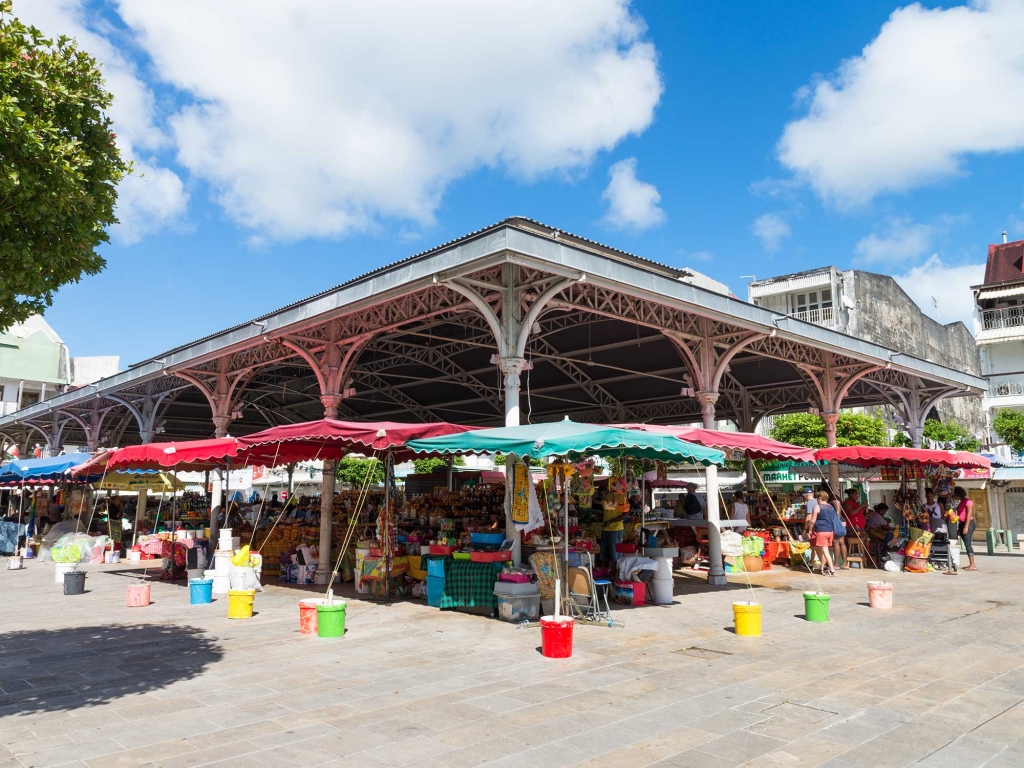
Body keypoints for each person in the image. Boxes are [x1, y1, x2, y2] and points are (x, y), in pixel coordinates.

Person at [805, 490, 838, 576]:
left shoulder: (818, 507)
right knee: (824, 550)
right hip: (830, 531)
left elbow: (812, 521)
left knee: (825, 551)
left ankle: (832, 570)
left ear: (820, 498)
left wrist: (809, 530)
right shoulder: (831, 507)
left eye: (817, 498)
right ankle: (822, 568)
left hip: (821, 531)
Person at [954, 487, 978, 571]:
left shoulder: (968, 501)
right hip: (962, 523)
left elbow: (968, 514)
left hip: (968, 523)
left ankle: (973, 564)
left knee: (968, 544)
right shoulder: (961, 502)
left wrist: (966, 527)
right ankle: (971, 564)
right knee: (966, 543)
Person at [601, 501, 626, 566]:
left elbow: (625, 514)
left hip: (615, 529)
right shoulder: (608, 495)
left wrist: (610, 521)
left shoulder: (621, 497)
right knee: (606, 554)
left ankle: (616, 573)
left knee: (615, 555)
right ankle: (609, 572)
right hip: (606, 528)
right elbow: (609, 510)